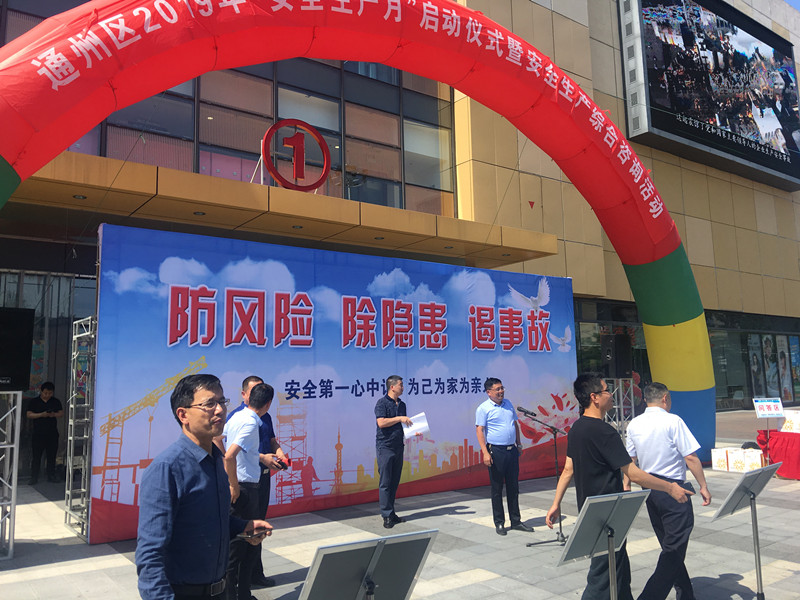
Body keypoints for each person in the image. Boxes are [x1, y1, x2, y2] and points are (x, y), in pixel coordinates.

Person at [545, 373, 693, 600]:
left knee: (619, 568)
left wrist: (556, 503)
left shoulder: (577, 428)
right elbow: (633, 473)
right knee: (602, 576)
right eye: (606, 391)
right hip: (606, 512)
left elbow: (568, 469)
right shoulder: (604, 432)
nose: (611, 395)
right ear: (594, 397)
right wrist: (670, 488)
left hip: (591, 509)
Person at [135, 374, 271, 600]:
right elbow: (150, 554)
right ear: (183, 415)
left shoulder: (216, 460)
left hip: (219, 592)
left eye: (221, 401)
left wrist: (243, 526)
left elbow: (208, 519)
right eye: (209, 404)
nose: (220, 410)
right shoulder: (167, 468)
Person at [624, 382, 712, 600]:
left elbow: (630, 460)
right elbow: (690, 457)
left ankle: (686, 593)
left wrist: (626, 485)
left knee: (670, 545)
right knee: (673, 551)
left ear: (646, 399)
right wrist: (703, 485)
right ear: (665, 398)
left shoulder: (634, 424)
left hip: (650, 489)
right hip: (674, 490)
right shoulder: (673, 421)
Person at [225, 376, 285, 589]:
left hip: (258, 480)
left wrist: (278, 453)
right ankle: (237, 588)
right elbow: (230, 454)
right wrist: (232, 483)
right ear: (244, 394)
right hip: (244, 485)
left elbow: (270, 440)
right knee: (243, 539)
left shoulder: (261, 418)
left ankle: (252, 578)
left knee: (254, 532)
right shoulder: (245, 420)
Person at [475, 377, 533, 535]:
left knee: (514, 487)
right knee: (497, 488)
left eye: (502, 388)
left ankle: (516, 521)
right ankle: (499, 522)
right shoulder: (483, 408)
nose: (501, 391)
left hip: (511, 450)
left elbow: (515, 424)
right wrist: (485, 452)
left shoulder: (508, 404)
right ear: (489, 392)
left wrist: (519, 444)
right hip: (496, 451)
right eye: (498, 389)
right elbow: (479, 430)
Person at [375, 374, 412, 528]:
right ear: (392, 387)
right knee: (385, 482)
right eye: (400, 385)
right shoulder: (382, 403)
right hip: (385, 446)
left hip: (398, 446)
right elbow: (381, 422)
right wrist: (399, 418)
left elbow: (403, 425)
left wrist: (413, 431)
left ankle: (392, 513)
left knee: (394, 481)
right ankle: (386, 515)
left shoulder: (402, 404)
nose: (403, 387)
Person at [27, 381, 63, 484]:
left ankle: (51, 475)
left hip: (52, 433)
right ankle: (34, 476)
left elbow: (61, 413)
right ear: (41, 391)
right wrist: (41, 415)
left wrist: (53, 414)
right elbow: (29, 414)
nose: (47, 395)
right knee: (36, 456)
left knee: (51, 456)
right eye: (45, 393)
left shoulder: (55, 401)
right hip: (38, 433)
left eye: (50, 393)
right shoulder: (34, 401)